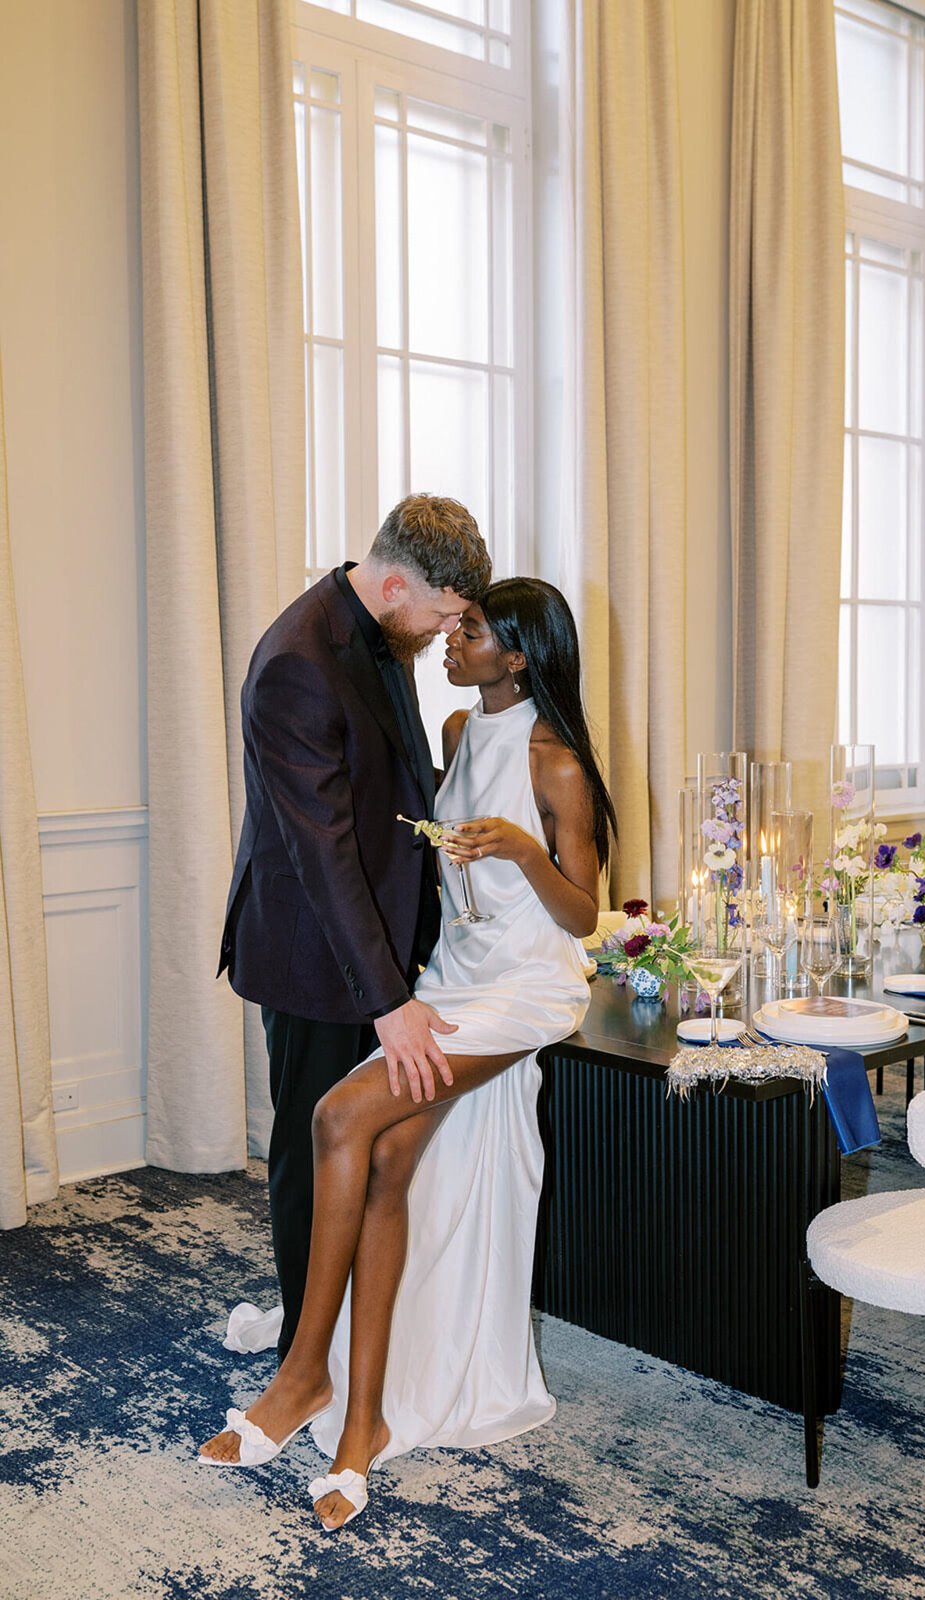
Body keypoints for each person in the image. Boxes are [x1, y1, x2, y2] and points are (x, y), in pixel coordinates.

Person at [200, 577, 618, 1532]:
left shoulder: (556, 762)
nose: (451, 640)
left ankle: (304, 1376)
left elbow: (584, 915)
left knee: (339, 1114)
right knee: (385, 1155)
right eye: (453, 621)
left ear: (518, 657)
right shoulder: (464, 738)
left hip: (522, 990)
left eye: (470, 630)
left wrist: (521, 849)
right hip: (453, 975)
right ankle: (362, 1424)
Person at [218, 494, 492, 1362]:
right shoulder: (298, 660)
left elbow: (391, 784)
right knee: (312, 1145)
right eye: (446, 610)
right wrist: (388, 1001)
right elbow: (323, 852)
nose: (450, 628)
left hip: (370, 937)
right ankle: (310, 1347)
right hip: (312, 952)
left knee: (356, 1140)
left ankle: (336, 1324)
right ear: (398, 580)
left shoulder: (377, 627)